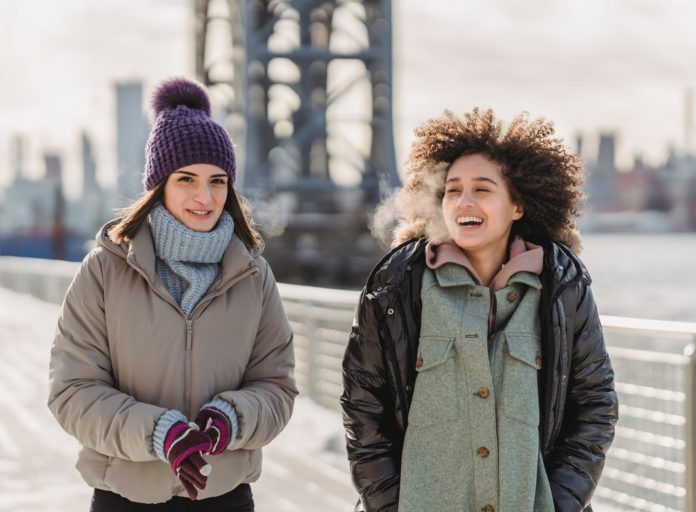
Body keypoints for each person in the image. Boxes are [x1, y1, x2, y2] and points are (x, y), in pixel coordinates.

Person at [340, 108, 618, 512]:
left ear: (518, 206)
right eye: (453, 190)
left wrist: (561, 503)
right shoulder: (395, 289)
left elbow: (595, 405)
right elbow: (363, 407)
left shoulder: (564, 289)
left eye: (482, 189)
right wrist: (388, 505)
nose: (463, 201)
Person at [48, 77, 298, 511]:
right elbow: (72, 392)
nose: (205, 197)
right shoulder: (105, 270)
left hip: (226, 499)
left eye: (217, 181)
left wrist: (230, 419)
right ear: (159, 185)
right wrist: (162, 433)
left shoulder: (253, 275)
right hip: (124, 498)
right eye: (187, 179)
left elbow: (277, 388)